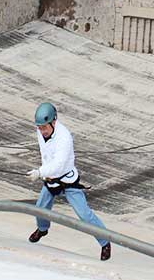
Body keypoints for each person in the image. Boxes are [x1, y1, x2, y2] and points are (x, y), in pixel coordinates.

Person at [27, 103, 111, 261]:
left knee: (84, 215)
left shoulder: (64, 137)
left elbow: (59, 165)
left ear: (54, 122)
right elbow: (46, 154)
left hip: (67, 180)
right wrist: (44, 172)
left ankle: (105, 241)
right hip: (50, 180)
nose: (42, 131)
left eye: (44, 127)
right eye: (39, 127)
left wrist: (40, 172)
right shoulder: (41, 132)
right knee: (40, 209)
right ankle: (43, 229)